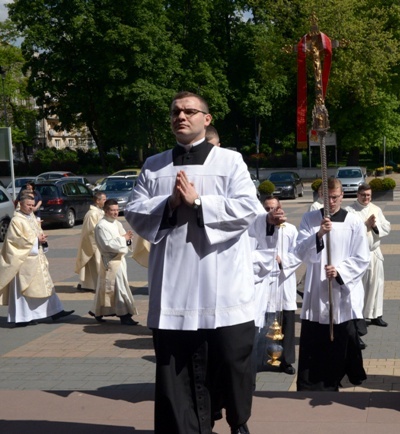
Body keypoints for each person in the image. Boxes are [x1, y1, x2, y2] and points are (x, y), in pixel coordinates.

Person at [125, 91, 267, 434]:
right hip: (173, 285)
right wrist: (170, 205)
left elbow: (248, 209)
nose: (181, 116)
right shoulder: (154, 164)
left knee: (231, 361)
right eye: (175, 111)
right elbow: (134, 211)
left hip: (221, 283)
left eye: (190, 111)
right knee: (175, 368)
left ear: (207, 118)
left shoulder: (230, 161)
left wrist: (200, 201)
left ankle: (236, 421)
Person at [294, 177, 370, 391]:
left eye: (335, 198)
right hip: (316, 287)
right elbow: (299, 251)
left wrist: (340, 271)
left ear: (342, 196)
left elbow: (362, 257)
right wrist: (319, 234)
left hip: (339, 288)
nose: (331, 202)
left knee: (338, 336)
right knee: (314, 338)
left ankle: (333, 380)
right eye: (327, 198)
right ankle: (310, 382)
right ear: (320, 196)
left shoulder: (353, 221)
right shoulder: (310, 218)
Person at [0, 192, 74, 327]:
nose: (31, 208)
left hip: (36, 258)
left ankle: (56, 311)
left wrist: (42, 239)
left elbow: (37, 232)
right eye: (28, 205)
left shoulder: (31, 217)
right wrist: (35, 240)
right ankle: (22, 317)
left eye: (33, 205)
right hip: (23, 262)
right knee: (25, 291)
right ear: (20, 204)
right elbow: (14, 241)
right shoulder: (17, 220)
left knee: (45, 286)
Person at [255, 196, 301, 375]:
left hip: (284, 279)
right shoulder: (258, 230)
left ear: (280, 208)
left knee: (287, 321)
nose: (271, 212)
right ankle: (261, 359)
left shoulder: (290, 229)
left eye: (274, 208)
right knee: (263, 319)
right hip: (265, 280)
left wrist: (284, 262)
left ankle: (286, 360)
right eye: (267, 209)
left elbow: (298, 252)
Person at [346, 184, 391, 327]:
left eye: (368, 195)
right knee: (361, 286)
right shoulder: (349, 211)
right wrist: (365, 225)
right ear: (357, 195)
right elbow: (347, 232)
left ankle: (375, 315)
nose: (366, 198)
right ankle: (359, 318)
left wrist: (375, 227)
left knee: (376, 284)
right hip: (358, 255)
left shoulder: (375, 209)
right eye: (363, 195)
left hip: (374, 253)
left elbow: (387, 226)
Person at [88, 199, 138, 325]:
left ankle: (97, 311)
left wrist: (128, 239)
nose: (116, 213)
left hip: (119, 260)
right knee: (119, 288)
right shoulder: (101, 226)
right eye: (113, 210)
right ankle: (125, 316)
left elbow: (123, 238)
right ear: (105, 211)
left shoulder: (116, 223)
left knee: (107, 288)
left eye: (117, 210)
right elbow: (107, 245)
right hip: (111, 261)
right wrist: (124, 239)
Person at [75, 191, 107, 292]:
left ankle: (90, 285)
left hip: (100, 243)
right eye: (104, 200)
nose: (105, 201)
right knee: (96, 264)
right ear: (98, 201)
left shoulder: (100, 211)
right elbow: (91, 231)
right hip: (95, 244)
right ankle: (94, 285)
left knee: (96, 265)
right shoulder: (92, 213)